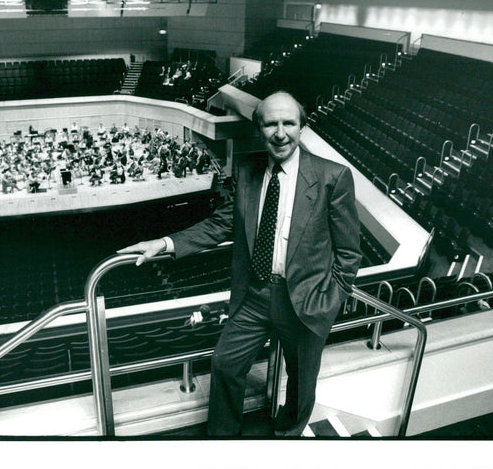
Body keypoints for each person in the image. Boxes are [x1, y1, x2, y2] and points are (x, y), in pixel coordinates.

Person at [117, 91, 361, 437]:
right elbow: (220, 224)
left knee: (302, 381)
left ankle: (287, 436)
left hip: (306, 301)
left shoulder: (332, 176)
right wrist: (165, 243)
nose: (280, 133)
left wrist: (329, 301)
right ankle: (224, 440)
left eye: (288, 123)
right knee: (225, 364)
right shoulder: (247, 171)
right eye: (271, 124)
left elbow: (349, 252)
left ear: (301, 127)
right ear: (260, 129)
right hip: (254, 296)